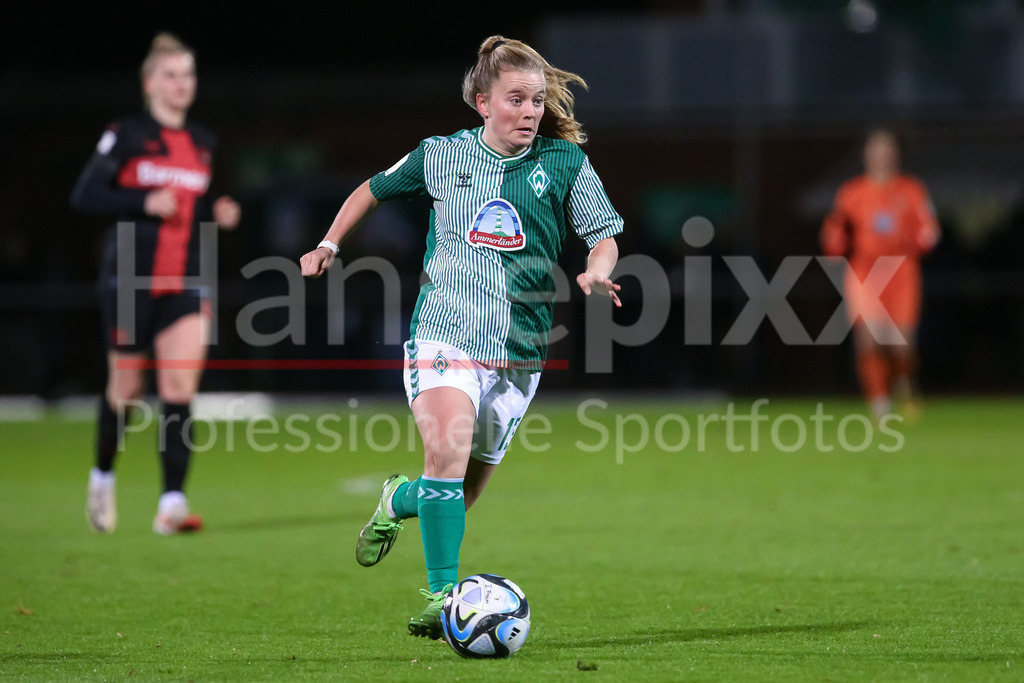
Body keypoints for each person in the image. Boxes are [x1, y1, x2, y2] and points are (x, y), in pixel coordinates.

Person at [300, 35, 623, 638]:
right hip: (445, 333)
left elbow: (602, 234)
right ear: (483, 102)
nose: (529, 112)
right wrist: (328, 244)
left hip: (521, 351)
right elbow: (371, 189)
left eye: (536, 101)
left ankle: (398, 499)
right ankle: (443, 599)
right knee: (446, 456)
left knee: (459, 493)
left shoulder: (564, 163)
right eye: (515, 99)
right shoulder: (441, 155)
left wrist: (596, 271)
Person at [71, 33, 241, 535]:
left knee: (178, 389)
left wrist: (218, 210)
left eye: (188, 74)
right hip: (129, 279)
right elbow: (85, 194)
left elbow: (195, 202)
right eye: (171, 74)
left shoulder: (203, 143)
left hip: (186, 278)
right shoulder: (126, 134)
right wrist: (142, 201)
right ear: (149, 83)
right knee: (125, 389)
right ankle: (102, 477)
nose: (181, 83)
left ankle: (171, 504)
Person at [820, 127, 940, 420]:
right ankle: (879, 401)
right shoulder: (852, 192)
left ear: (896, 154)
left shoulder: (911, 190)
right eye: (876, 149)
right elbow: (835, 227)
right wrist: (834, 244)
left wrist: (922, 239)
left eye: (887, 149)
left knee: (901, 342)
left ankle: (903, 382)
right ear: (865, 154)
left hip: (902, 270)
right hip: (865, 270)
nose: (881, 155)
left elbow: (929, 228)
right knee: (869, 337)